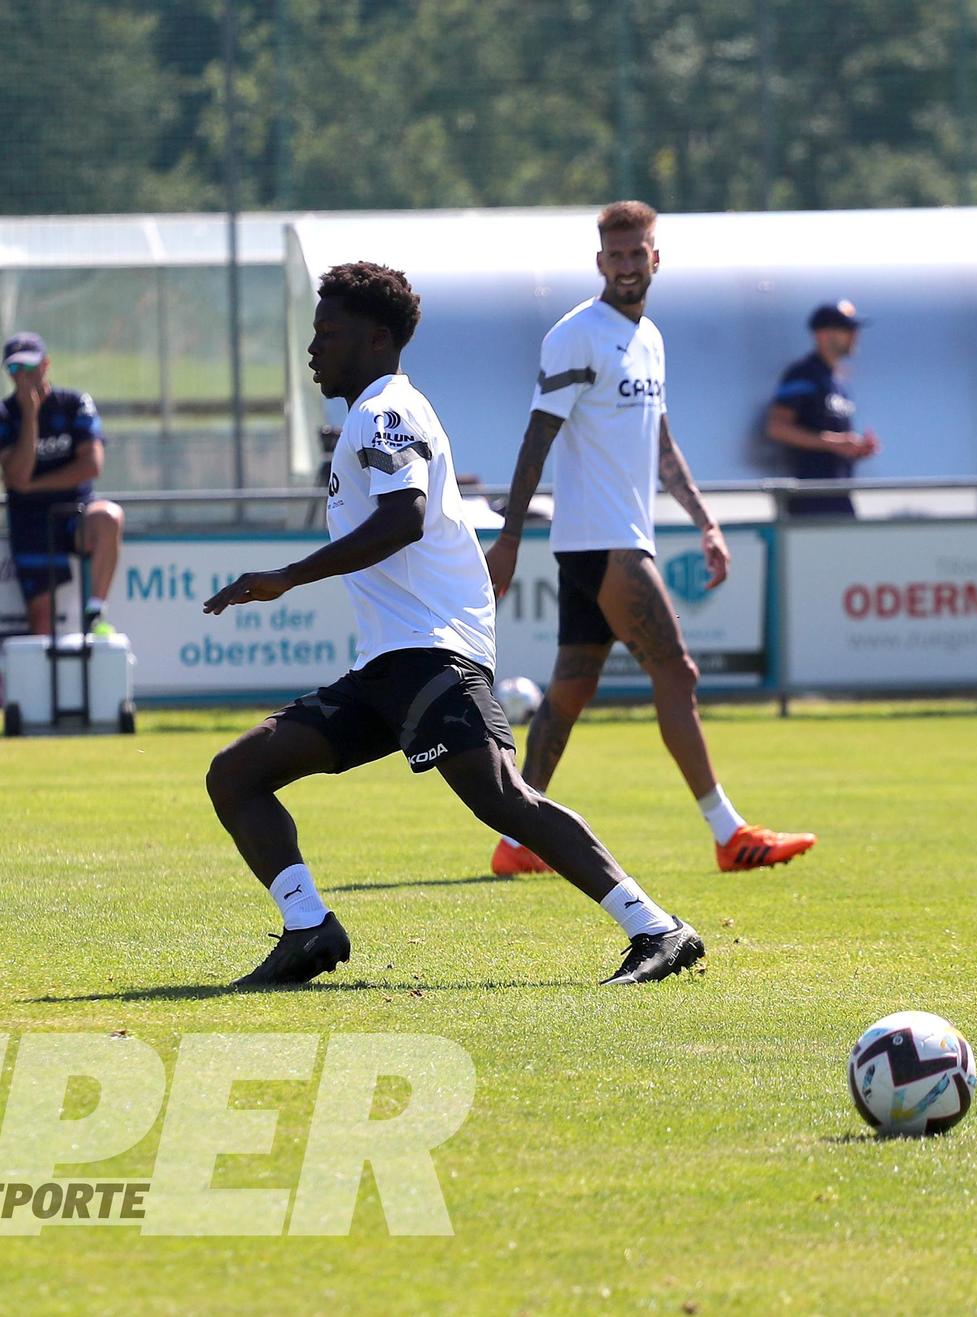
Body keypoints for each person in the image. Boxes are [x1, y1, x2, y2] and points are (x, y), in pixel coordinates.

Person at [202, 261, 703, 988]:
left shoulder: (386, 410)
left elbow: (401, 519)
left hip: (432, 653)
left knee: (502, 797)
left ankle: (657, 927)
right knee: (237, 774)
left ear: (376, 340)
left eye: (327, 332)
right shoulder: (369, 412)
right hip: (387, 667)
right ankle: (309, 928)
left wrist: (287, 577)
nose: (314, 348)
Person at [483, 201, 816, 879]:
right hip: (601, 541)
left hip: (611, 538)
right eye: (617, 255)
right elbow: (535, 438)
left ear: (655, 258)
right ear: (599, 261)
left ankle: (519, 837)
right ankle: (729, 834)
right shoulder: (576, 335)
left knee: (570, 689)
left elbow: (662, 446)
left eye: (640, 253)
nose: (629, 265)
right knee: (679, 671)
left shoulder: (649, 338)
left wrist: (705, 521)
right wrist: (510, 538)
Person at [0, 333, 125, 636]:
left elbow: (91, 465)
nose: (24, 376)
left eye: (30, 367)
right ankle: (44, 682)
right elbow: (18, 476)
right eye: (15, 370)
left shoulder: (74, 403)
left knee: (109, 517)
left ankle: (96, 610)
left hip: (76, 512)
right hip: (30, 522)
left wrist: (34, 485)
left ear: (46, 365)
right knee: (41, 617)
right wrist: (30, 417)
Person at [765, 300, 881, 517]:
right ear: (823, 335)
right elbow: (777, 427)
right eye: (847, 329)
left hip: (839, 496)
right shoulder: (803, 374)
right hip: (809, 501)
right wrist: (835, 443)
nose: (855, 336)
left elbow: (833, 442)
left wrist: (856, 449)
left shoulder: (837, 381)